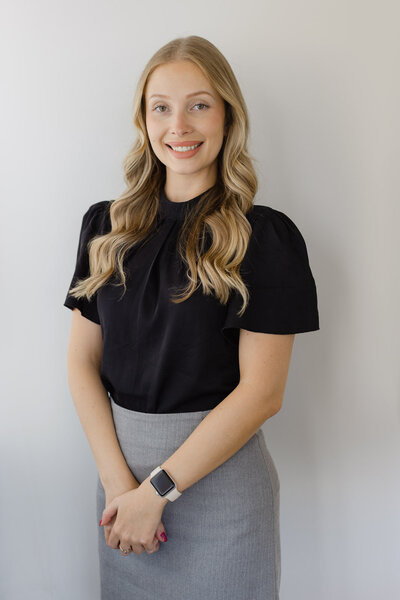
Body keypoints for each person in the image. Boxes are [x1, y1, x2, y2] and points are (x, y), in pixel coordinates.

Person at [63, 35, 319, 600]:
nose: (178, 125)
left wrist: (154, 493)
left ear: (228, 116)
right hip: (120, 488)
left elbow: (262, 394)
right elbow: (82, 362)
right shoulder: (105, 228)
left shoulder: (265, 237)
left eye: (199, 104)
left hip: (219, 492)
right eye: (162, 107)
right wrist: (118, 484)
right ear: (144, 118)